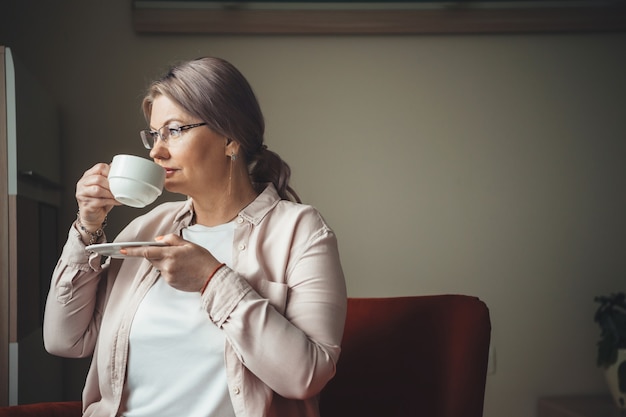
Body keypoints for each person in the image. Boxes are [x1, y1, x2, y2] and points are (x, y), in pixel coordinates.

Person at [43, 56, 347, 417]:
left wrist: (212, 279)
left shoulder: (300, 231)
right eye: (154, 135)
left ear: (230, 138)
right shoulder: (148, 228)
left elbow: (305, 377)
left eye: (173, 130)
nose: (157, 150)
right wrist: (88, 227)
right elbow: (64, 340)